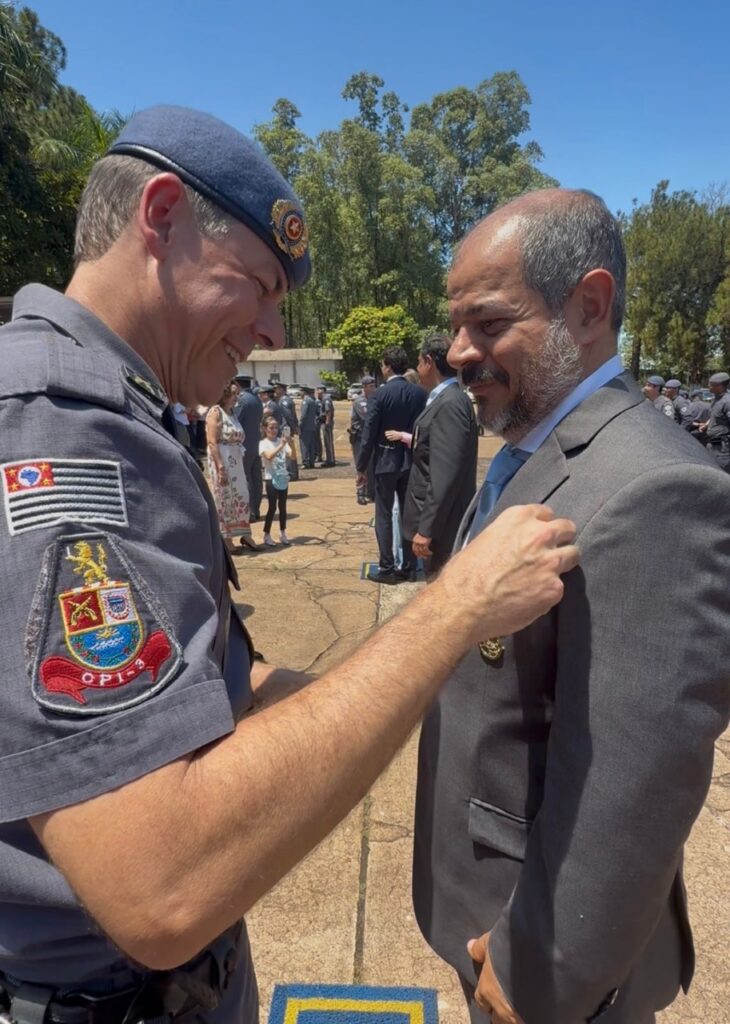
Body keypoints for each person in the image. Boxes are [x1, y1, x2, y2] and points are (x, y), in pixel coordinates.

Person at [0, 105, 580, 1024]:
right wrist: (456, 606)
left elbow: (208, 683)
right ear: (161, 217)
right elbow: (161, 885)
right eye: (260, 287)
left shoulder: (123, 409)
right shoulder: (62, 431)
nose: (272, 331)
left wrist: (376, 702)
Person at [412, 188, 730, 1024]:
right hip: (492, 911)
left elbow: (637, 786)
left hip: (542, 964)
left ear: (589, 306)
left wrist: (539, 972)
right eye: (456, 325)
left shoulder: (658, 487)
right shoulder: (532, 450)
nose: (457, 351)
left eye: (487, 322)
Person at [396, 334, 478, 578]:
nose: (417, 368)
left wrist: (427, 529)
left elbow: (444, 474)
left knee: (442, 586)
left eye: (419, 361)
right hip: (440, 524)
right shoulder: (444, 399)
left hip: (443, 529)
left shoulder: (449, 404)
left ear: (429, 362)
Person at [356, 347, 427, 584]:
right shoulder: (419, 393)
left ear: (387, 366)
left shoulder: (379, 395)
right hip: (411, 461)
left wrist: (361, 467)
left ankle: (387, 568)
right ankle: (409, 566)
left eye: (382, 364)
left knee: (384, 515)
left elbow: (368, 434)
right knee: (409, 515)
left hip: (385, 462)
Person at [206, 382, 259, 552]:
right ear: (224, 394)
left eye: (238, 393)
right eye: (234, 393)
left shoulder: (232, 414)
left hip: (236, 461)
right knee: (225, 498)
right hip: (222, 460)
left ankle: (245, 534)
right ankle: (227, 538)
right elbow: (212, 442)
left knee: (242, 496)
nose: (237, 397)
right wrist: (220, 467)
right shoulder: (216, 412)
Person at [258, 415, 292, 546]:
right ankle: (266, 534)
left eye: (276, 428)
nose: (274, 430)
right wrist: (281, 446)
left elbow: (293, 456)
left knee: (283, 506)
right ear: (265, 429)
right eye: (271, 428)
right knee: (272, 507)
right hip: (271, 478)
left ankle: (283, 532)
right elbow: (268, 456)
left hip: (282, 477)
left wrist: (291, 444)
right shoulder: (263, 443)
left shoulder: (281, 441)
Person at [235, 375, 264, 520]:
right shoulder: (256, 399)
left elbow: (236, 420)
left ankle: (250, 511)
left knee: (246, 478)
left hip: (244, 445)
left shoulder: (242, 400)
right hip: (256, 443)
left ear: (238, 385)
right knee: (256, 477)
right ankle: (256, 509)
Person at [349, 375, 376, 505]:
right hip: (360, 438)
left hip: (370, 438)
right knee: (361, 466)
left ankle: (371, 492)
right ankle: (360, 492)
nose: (373, 388)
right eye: (370, 386)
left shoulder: (375, 399)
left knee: (372, 466)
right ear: (364, 387)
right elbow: (367, 418)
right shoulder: (359, 401)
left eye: (374, 386)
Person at [698, 370, 730, 471]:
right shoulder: (716, 399)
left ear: (719, 386)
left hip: (722, 449)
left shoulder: (727, 402)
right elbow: (716, 416)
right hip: (712, 445)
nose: (708, 386)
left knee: (722, 473)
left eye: (711, 384)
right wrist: (706, 424)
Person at [275, 382, 300, 481]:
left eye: (277, 388)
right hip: (287, 428)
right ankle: (292, 472)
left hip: (286, 428)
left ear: (282, 389)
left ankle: (291, 473)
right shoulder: (286, 399)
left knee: (288, 451)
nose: (275, 390)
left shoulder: (284, 400)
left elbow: (289, 416)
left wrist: (293, 427)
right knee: (288, 450)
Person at [299, 384, 319, 468]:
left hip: (305, 427)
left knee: (304, 445)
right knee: (311, 445)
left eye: (301, 391)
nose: (300, 393)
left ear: (304, 392)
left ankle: (305, 462)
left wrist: (299, 425)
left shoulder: (305, 401)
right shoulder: (312, 401)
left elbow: (303, 415)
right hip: (312, 426)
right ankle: (311, 462)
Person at [317, 385, 336, 466]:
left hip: (326, 422)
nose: (317, 392)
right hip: (325, 422)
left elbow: (328, 411)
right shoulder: (324, 399)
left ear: (322, 390)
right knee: (327, 441)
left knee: (328, 442)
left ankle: (330, 460)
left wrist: (327, 422)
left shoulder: (326, 399)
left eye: (318, 390)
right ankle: (329, 459)